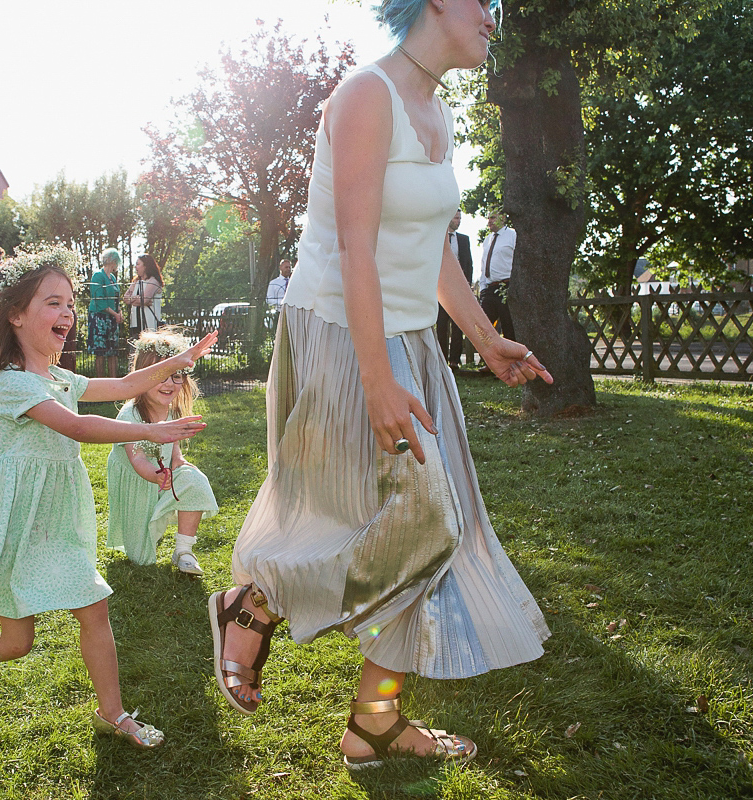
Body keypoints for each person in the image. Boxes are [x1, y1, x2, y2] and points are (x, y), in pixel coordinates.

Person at [208, 0, 553, 771]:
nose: (494, 16)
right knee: (426, 520)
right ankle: (258, 600)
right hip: (341, 335)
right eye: (482, 1)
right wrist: (373, 378)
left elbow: (431, 252)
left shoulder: (437, 111)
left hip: (408, 341)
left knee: (438, 534)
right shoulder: (369, 95)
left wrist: (487, 340)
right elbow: (355, 246)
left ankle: (374, 719)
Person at [0, 245, 217, 749]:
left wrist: (177, 360)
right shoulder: (12, 384)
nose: (67, 312)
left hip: (56, 515)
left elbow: (127, 383)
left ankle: (111, 714)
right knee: (15, 642)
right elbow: (76, 425)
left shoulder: (62, 377)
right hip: (13, 517)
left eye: (70, 303)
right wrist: (153, 434)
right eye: (53, 302)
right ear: (17, 315)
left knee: (94, 606)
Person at [106, 328, 218, 576]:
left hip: (161, 477)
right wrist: (155, 476)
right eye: (161, 375)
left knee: (194, 480)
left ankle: (184, 551)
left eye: (176, 376)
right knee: (141, 559)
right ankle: (144, 532)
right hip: (138, 482)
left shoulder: (172, 410)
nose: (169, 383)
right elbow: (138, 459)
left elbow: (173, 448)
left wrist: (180, 463)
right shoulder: (131, 415)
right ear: (142, 377)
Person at [435, 209, 474, 371]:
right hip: (441, 290)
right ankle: (442, 360)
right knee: (441, 325)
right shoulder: (437, 238)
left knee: (458, 326)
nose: (459, 221)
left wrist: (467, 287)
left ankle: (454, 361)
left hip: (459, 290)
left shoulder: (464, 240)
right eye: (456, 218)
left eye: (460, 218)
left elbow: (468, 265)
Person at [479, 211, 516, 346]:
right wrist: (483, 287)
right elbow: (483, 264)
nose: (489, 221)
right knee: (484, 327)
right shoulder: (487, 239)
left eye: (493, 217)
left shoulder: (512, 235)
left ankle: (511, 364)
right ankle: (488, 362)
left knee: (508, 327)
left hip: (506, 286)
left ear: (503, 218)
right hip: (490, 288)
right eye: (488, 218)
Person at [88, 248, 124, 378]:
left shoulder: (113, 278)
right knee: (100, 352)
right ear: (112, 261)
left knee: (113, 352)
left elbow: (116, 298)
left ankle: (114, 383)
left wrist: (119, 312)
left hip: (112, 318)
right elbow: (99, 300)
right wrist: (115, 314)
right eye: (116, 262)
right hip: (99, 318)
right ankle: (100, 383)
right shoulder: (98, 275)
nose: (116, 265)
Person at [122, 253, 164, 340]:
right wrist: (139, 299)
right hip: (136, 322)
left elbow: (144, 300)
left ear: (145, 266)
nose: (135, 267)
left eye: (138, 264)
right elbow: (125, 299)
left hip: (150, 322)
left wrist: (135, 300)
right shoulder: (136, 281)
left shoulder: (153, 281)